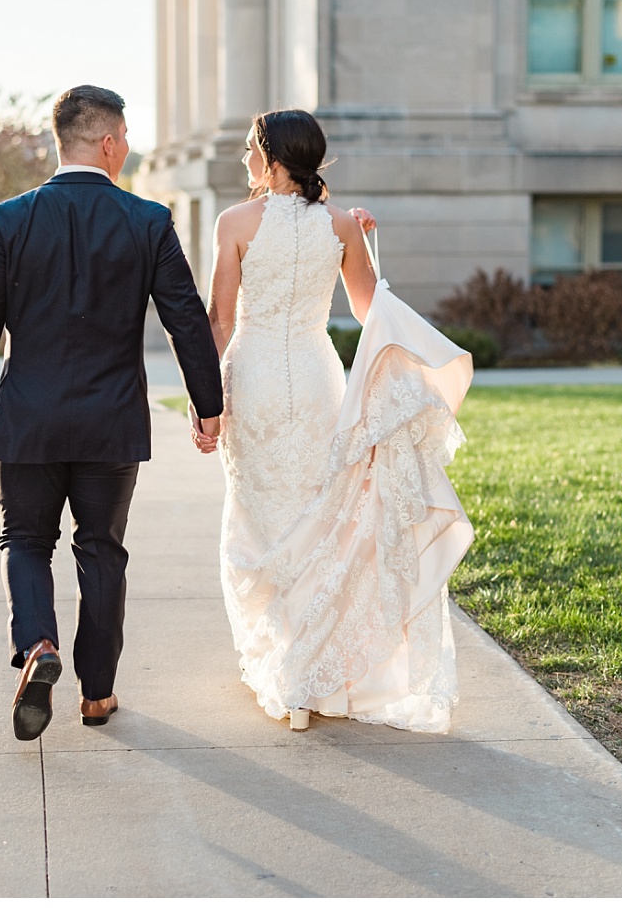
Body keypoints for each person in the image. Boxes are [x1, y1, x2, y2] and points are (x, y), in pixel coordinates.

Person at [0, 85, 224, 741]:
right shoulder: (147, 220)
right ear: (109, 143)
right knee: (101, 551)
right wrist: (209, 405)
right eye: (128, 138)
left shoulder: (10, 218)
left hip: (30, 419)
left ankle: (38, 648)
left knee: (25, 541)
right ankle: (98, 695)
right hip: (111, 423)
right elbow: (186, 321)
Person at [195, 108, 474, 733]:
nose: (243, 161)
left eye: (249, 151)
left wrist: (203, 400)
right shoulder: (341, 224)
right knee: (318, 517)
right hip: (319, 378)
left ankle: (291, 676)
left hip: (258, 377)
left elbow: (218, 321)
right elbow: (369, 305)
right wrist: (360, 239)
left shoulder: (235, 222)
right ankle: (312, 670)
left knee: (261, 515)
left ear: (272, 161)